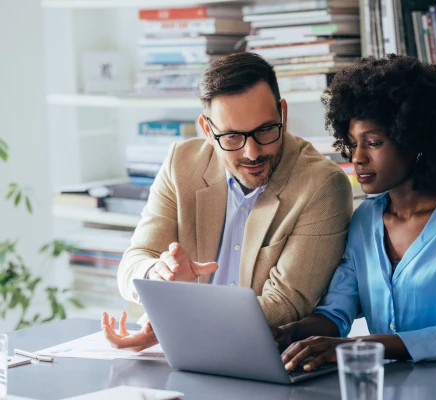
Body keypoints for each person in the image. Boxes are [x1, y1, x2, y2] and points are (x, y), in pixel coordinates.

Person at [273, 55, 436, 372]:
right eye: (351, 143)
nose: (356, 157)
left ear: (415, 140)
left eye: (373, 142)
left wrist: (354, 348)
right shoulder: (364, 220)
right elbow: (336, 312)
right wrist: (288, 333)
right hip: (388, 387)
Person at [101, 52, 353, 350]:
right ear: (208, 130)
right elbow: (134, 261)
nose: (252, 152)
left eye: (265, 130)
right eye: (232, 136)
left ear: (282, 114)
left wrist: (176, 319)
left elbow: (286, 303)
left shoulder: (322, 185)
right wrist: (157, 274)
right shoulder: (180, 164)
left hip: (268, 360)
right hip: (187, 355)